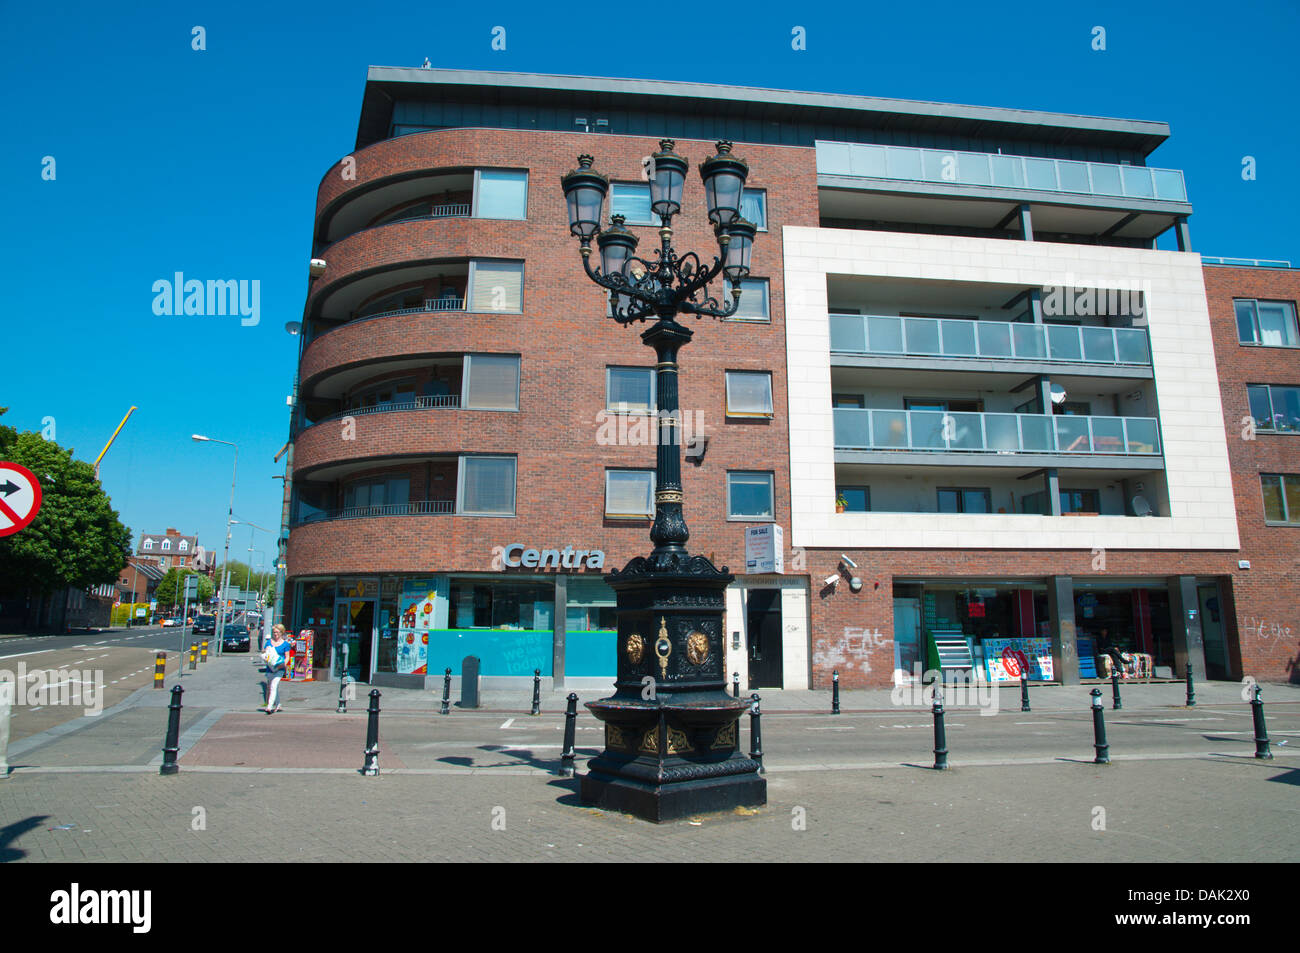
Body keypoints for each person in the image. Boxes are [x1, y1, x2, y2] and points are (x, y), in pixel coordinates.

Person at [263, 625, 292, 713]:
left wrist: (283, 664)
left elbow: (287, 657)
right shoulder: (269, 642)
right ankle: (278, 704)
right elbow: (264, 654)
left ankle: (269, 706)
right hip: (270, 668)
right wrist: (265, 651)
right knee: (272, 687)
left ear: (281, 633)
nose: (275, 634)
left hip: (279, 668)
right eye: (274, 632)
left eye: (277, 632)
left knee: (274, 685)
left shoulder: (285, 644)